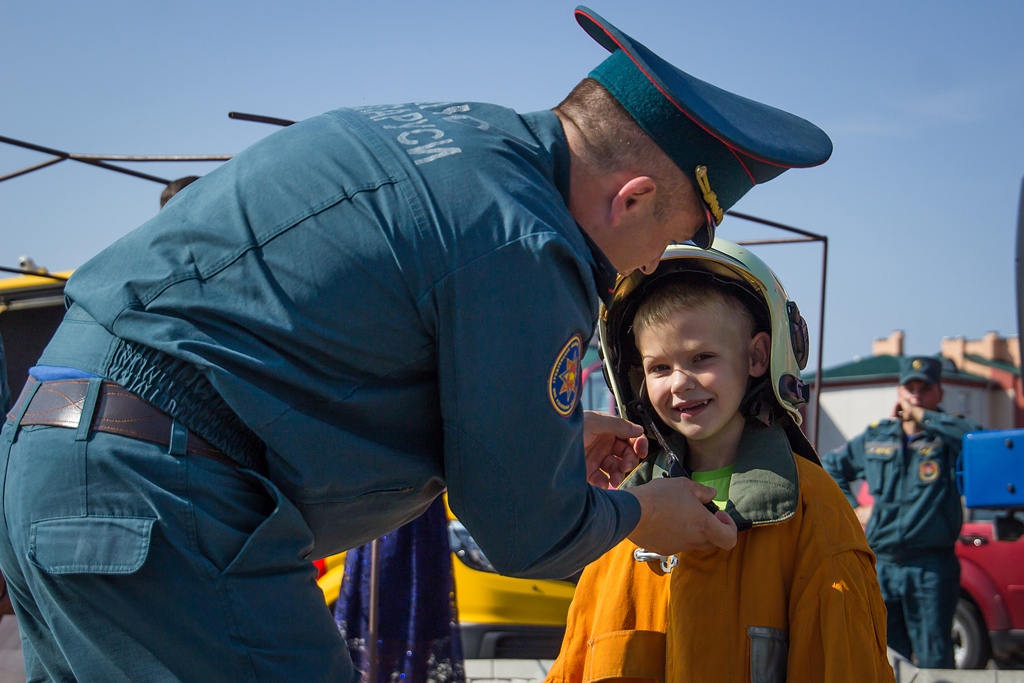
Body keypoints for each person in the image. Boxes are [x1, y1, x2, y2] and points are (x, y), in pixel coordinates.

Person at [0, 7, 832, 681]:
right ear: (635, 196)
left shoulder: (454, 142)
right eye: (673, 234)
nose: (649, 266)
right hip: (164, 497)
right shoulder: (527, 240)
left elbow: (323, 346)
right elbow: (525, 533)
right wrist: (649, 513)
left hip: (59, 456)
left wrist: (546, 438)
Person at [546, 241, 894, 683]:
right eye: (659, 368)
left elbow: (846, 665)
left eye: (701, 358)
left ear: (756, 357)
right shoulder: (620, 522)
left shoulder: (813, 510)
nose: (680, 384)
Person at [822, 356, 981, 669]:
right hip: (882, 565)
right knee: (882, 657)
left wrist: (925, 417)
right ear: (899, 391)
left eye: (924, 388)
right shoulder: (877, 437)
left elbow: (976, 438)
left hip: (930, 566)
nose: (916, 395)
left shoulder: (948, 439)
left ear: (939, 393)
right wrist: (855, 509)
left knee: (935, 657)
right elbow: (830, 467)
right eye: (910, 387)